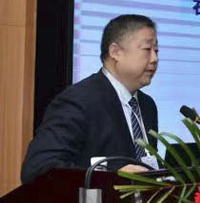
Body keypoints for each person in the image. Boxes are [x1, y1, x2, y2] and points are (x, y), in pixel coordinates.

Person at [21, 14, 159, 184]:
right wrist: (109, 179)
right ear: (115, 52)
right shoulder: (79, 100)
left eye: (156, 51)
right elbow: (38, 168)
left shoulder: (147, 106)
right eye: (147, 49)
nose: (154, 59)